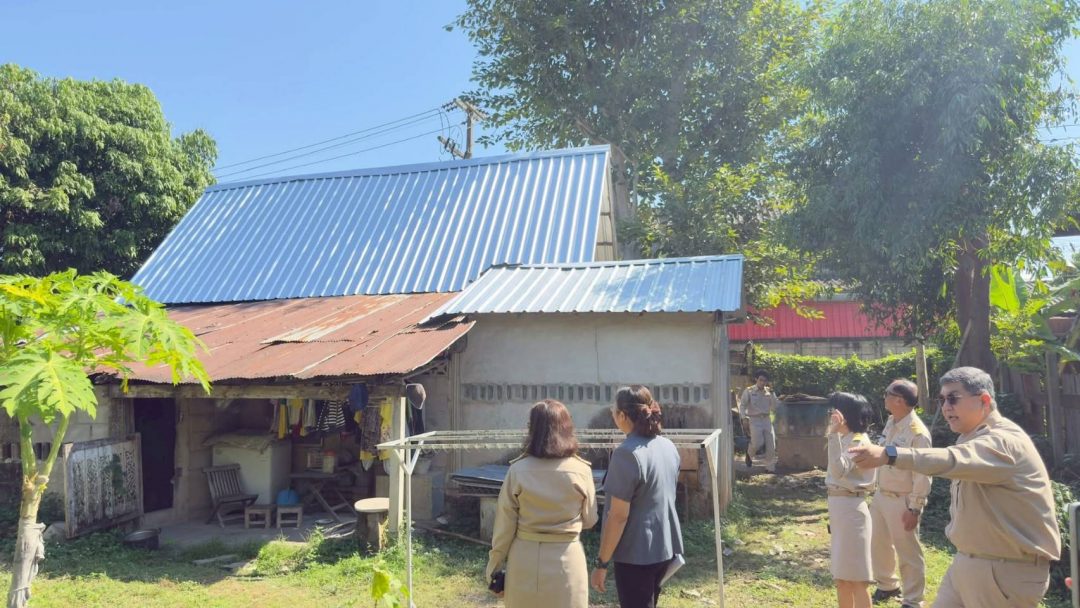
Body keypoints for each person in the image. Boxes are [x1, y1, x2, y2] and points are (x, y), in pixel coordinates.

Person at [850, 367, 1061, 608]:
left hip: (1003, 571)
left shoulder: (1003, 440)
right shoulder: (971, 438)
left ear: (984, 400)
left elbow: (951, 459)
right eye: (942, 399)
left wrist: (890, 454)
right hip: (967, 563)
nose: (946, 407)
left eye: (953, 398)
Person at [486, 399, 598, 608]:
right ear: (567, 427)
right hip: (567, 559)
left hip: (525, 560)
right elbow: (590, 520)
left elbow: (504, 527)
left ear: (532, 430)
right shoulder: (582, 470)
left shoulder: (517, 470)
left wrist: (494, 567)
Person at [590, 385, 684, 608]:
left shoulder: (626, 453)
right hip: (664, 547)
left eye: (613, 410)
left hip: (636, 554)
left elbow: (618, 516)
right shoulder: (667, 446)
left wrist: (601, 563)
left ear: (623, 415)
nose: (612, 414)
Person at [870, 379, 931, 608]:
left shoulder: (917, 433)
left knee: (908, 552)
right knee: (878, 544)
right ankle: (887, 584)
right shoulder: (892, 422)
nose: (884, 396)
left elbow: (923, 473)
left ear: (899, 400)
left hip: (902, 499)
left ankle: (913, 600)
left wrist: (914, 507)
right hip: (882, 494)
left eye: (887, 393)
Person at [825, 392, 878, 608]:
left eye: (834, 410)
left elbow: (839, 470)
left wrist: (833, 435)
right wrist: (835, 435)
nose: (830, 414)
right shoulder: (845, 438)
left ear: (845, 415)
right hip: (841, 508)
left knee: (856, 578)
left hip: (851, 510)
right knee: (842, 578)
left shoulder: (858, 441)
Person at [739, 370, 778, 472]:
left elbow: (775, 407)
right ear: (756, 379)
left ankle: (769, 468)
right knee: (757, 443)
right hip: (754, 420)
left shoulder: (769, 392)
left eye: (765, 380)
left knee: (771, 444)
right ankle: (749, 454)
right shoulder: (749, 391)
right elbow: (742, 406)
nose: (762, 382)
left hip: (766, 420)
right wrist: (743, 418)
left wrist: (772, 394)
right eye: (760, 380)